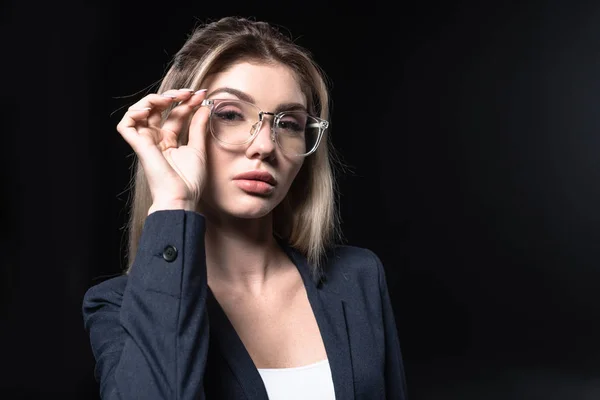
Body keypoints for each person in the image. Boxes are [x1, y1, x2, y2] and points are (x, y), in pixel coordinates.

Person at [82, 16, 408, 400]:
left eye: (288, 123)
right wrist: (173, 201)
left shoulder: (358, 277)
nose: (266, 146)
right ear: (179, 127)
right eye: (231, 115)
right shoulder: (117, 306)